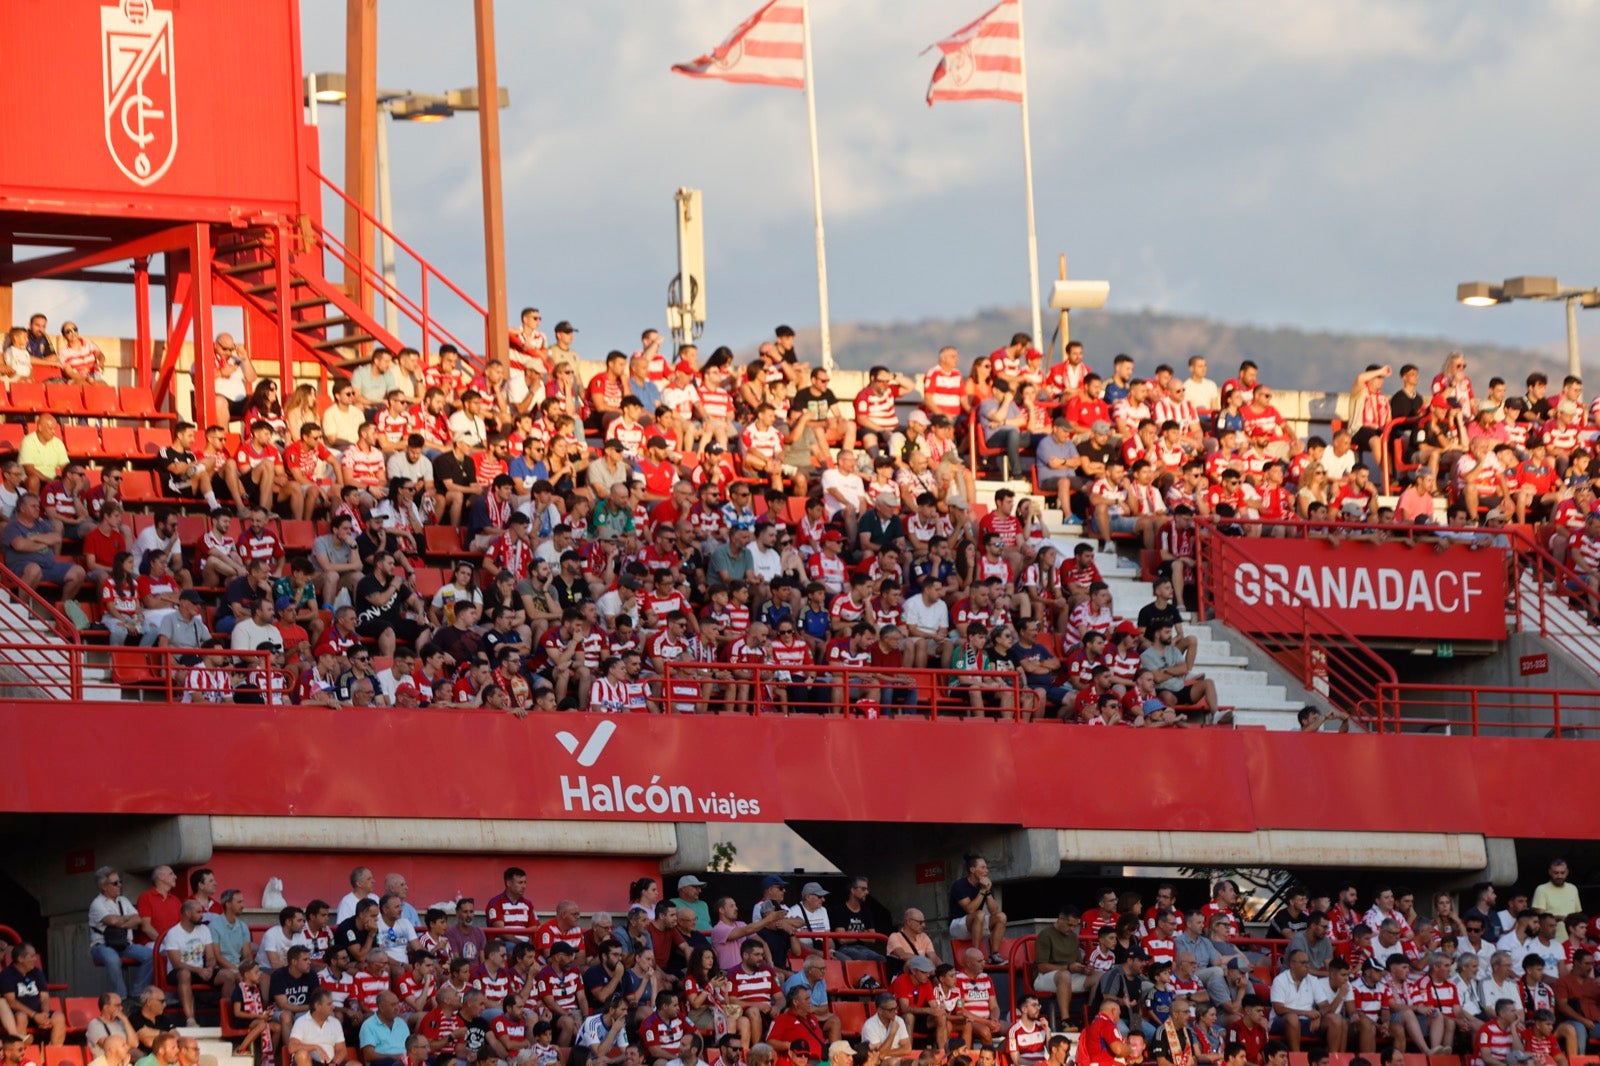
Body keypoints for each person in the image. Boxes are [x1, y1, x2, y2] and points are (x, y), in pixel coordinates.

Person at [89, 866, 156, 998]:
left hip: (124, 944)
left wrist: (120, 921)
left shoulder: (123, 900)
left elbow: (138, 919)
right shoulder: (97, 904)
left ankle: (138, 992)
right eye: (115, 883)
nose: (119, 885)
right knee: (113, 959)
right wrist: (124, 919)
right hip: (102, 945)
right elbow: (112, 921)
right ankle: (122, 997)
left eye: (120, 882)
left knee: (152, 956)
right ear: (104, 886)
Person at [0, 942, 66, 1045]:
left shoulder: (37, 972)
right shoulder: (7, 975)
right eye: (31, 956)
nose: (35, 959)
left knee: (59, 1017)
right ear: (21, 959)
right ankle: (22, 1055)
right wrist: (34, 1015)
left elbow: (44, 997)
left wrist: (45, 1015)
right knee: (21, 1017)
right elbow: (11, 1001)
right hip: (19, 1013)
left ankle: (54, 1053)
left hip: (38, 1013)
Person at [949, 854, 1008, 966]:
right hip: (958, 926)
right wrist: (982, 891)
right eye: (983, 867)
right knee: (979, 914)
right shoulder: (959, 885)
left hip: (977, 925)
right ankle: (976, 954)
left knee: (1001, 917)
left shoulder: (985, 885)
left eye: (986, 867)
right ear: (972, 869)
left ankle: (994, 955)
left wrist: (987, 890)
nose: (986, 870)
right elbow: (970, 909)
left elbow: (994, 911)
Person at [290, 990, 347, 1066]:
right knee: (302, 1055)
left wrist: (335, 1063)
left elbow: (341, 1049)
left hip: (331, 1063)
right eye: (329, 1004)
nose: (333, 1007)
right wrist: (315, 1047)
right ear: (317, 1006)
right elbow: (292, 1047)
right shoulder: (301, 1022)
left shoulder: (335, 1022)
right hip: (309, 1062)